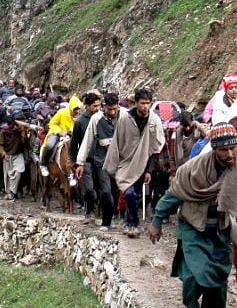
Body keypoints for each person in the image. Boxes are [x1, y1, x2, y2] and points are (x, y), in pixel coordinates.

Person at [147, 123, 237, 308]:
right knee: (194, 272)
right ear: (214, 149)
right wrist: (157, 220)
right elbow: (174, 194)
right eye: (224, 150)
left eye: (234, 148)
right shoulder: (194, 169)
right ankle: (191, 307)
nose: (230, 154)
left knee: (218, 276)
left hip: (221, 227)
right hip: (194, 226)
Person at [104, 88, 165, 237]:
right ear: (136, 103)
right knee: (129, 194)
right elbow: (117, 143)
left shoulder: (154, 120)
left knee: (135, 194)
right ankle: (136, 223)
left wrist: (149, 170)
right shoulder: (125, 119)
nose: (145, 107)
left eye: (148, 103)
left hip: (144, 163)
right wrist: (112, 166)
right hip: (125, 163)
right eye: (142, 103)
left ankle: (128, 222)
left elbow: (156, 147)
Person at [76, 92, 121, 231]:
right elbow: (87, 140)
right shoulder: (96, 119)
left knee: (117, 190)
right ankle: (106, 222)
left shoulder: (125, 116)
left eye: (115, 109)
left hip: (121, 158)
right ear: (104, 106)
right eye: (109, 109)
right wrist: (80, 162)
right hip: (102, 159)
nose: (113, 112)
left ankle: (118, 217)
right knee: (105, 191)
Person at [69, 92, 101, 217]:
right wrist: (73, 160)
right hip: (86, 159)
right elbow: (74, 142)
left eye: (99, 106)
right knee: (89, 188)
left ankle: (100, 210)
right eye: (94, 106)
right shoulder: (80, 122)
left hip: (101, 158)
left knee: (103, 188)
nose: (97, 109)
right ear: (86, 106)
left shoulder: (102, 118)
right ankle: (89, 211)